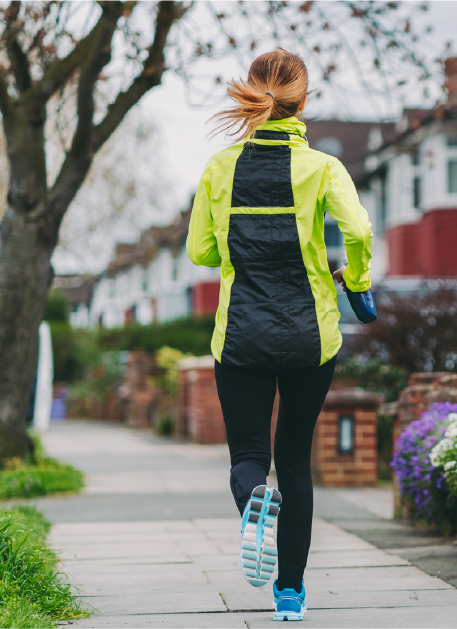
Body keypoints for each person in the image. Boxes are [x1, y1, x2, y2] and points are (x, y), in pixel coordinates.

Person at [187, 48, 372, 622]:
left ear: (252, 95)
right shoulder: (321, 167)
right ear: (303, 100)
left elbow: (201, 251)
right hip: (309, 338)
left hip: (240, 335)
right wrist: (357, 280)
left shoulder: (220, 168)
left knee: (249, 453)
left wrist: (233, 247)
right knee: (294, 458)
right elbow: (359, 229)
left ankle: (251, 500)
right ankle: (289, 595)